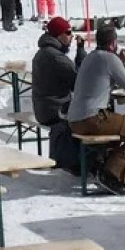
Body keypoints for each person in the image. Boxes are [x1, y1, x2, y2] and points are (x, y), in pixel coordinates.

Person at [67, 24, 125, 194]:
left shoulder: (91, 57)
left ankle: (106, 168)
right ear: (113, 43)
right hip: (92, 118)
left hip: (75, 119)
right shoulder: (109, 59)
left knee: (121, 132)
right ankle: (113, 175)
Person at [32, 16, 86, 172]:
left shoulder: (45, 52)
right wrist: (81, 51)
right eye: (68, 32)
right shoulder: (55, 57)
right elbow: (79, 81)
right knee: (94, 118)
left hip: (44, 107)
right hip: (56, 110)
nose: (71, 36)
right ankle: (81, 163)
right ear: (58, 35)